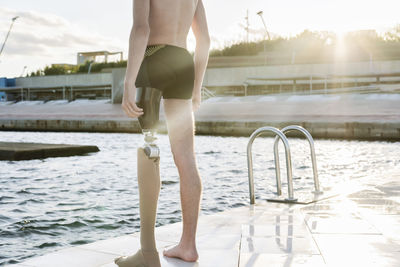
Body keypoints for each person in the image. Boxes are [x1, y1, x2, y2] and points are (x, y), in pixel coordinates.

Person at [115, 0, 210, 266]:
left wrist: (128, 82)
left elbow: (141, 29)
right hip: (182, 63)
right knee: (186, 159)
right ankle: (188, 246)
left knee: (148, 148)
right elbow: (204, 41)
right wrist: (196, 87)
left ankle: (147, 253)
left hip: (153, 58)